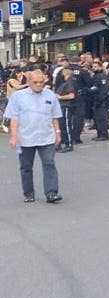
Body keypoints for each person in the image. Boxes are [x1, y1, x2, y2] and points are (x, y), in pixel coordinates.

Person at [5, 70, 63, 203]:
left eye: (41, 82)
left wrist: (58, 133)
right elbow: (14, 118)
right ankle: (28, 193)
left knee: (49, 164)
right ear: (28, 82)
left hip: (46, 136)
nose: (39, 85)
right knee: (26, 167)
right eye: (35, 82)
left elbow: (54, 117)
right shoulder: (18, 96)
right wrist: (14, 136)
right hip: (25, 138)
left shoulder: (50, 95)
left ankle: (51, 192)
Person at [54, 67, 78, 153]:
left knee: (67, 126)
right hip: (61, 106)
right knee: (62, 126)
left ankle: (69, 144)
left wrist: (60, 97)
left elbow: (72, 95)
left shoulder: (69, 82)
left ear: (65, 73)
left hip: (66, 105)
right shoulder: (65, 82)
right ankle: (62, 143)